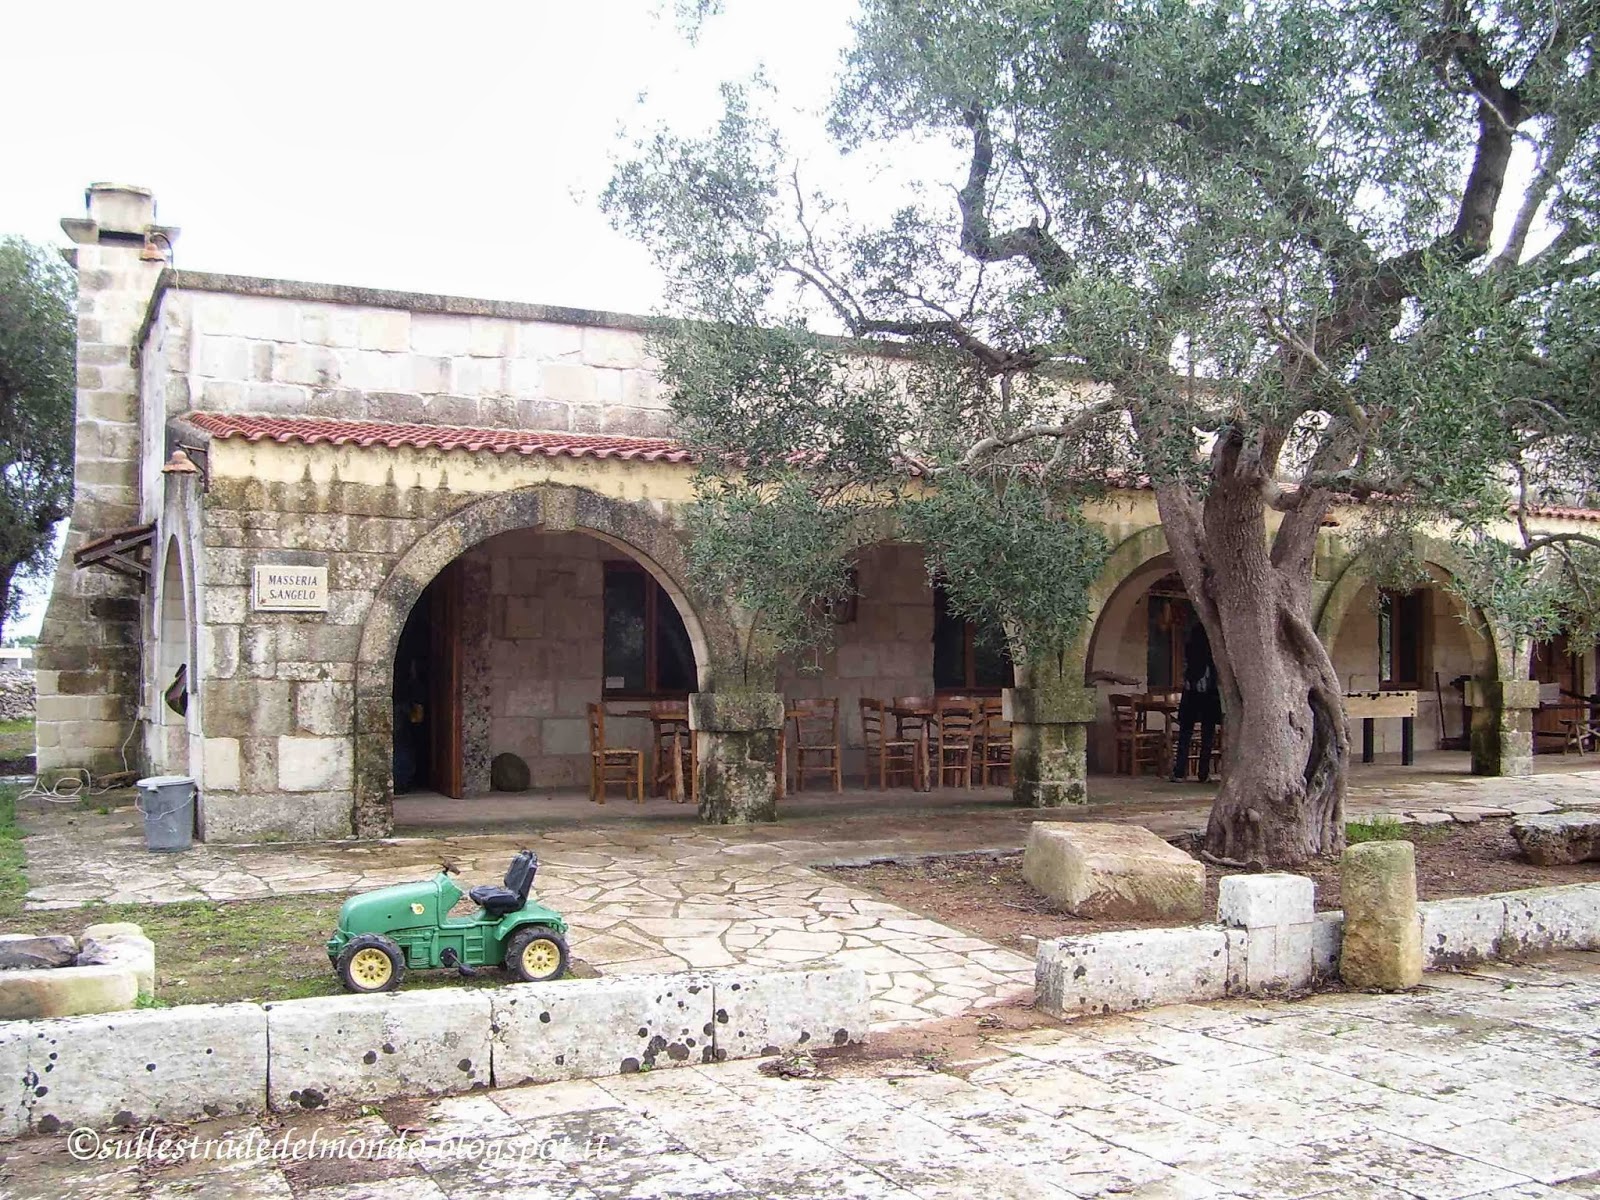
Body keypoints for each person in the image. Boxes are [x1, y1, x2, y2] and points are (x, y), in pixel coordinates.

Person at [1171, 621, 1222, 782]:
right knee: (1205, 736)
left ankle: (1181, 772)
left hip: (1195, 696)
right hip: (1206, 697)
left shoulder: (1192, 654)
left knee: (1187, 735)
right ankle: (1202, 773)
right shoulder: (1210, 656)